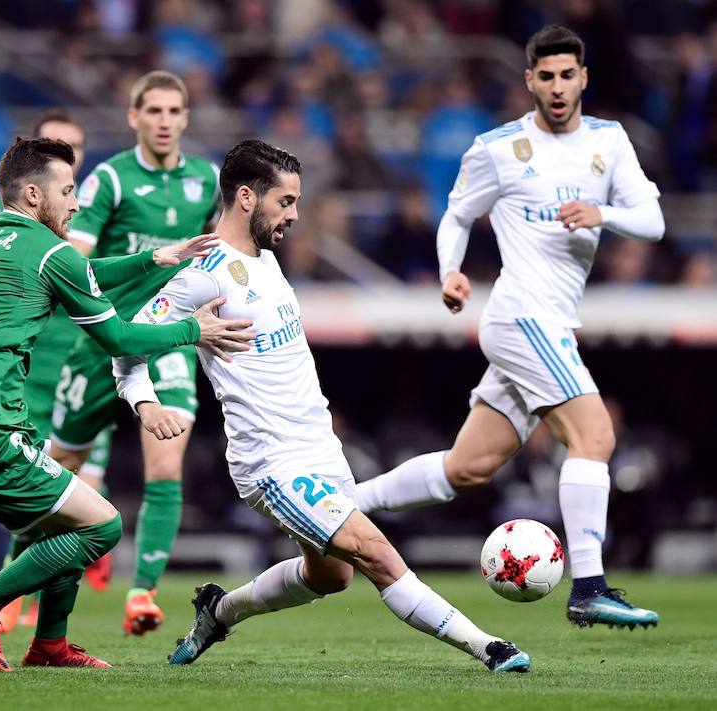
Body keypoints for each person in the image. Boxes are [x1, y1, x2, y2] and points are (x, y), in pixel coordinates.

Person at [114, 139, 530, 673]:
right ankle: (489, 648)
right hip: (272, 463)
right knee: (377, 552)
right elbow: (127, 345)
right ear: (246, 197)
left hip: (318, 449)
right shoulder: (203, 272)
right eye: (284, 202)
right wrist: (148, 405)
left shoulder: (262, 259)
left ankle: (219, 612)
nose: (293, 215)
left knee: (332, 577)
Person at [354, 25, 663, 630]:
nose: (555, 86)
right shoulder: (499, 147)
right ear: (529, 80)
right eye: (544, 76)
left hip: (552, 324)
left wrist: (603, 212)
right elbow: (457, 214)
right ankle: (590, 587)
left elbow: (651, 220)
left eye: (566, 75)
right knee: (594, 437)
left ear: (583, 79)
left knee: (465, 469)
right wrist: (450, 271)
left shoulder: (610, 140)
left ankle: (340, 506)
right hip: (522, 317)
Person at [0, 136, 253, 672]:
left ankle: (49, 644)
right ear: (34, 195)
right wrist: (195, 328)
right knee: (102, 526)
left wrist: (153, 258)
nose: (76, 203)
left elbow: (79, 273)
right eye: (68, 190)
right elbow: (121, 340)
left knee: (67, 520)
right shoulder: (49, 250)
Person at [47, 70, 222, 636]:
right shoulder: (109, 181)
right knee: (60, 467)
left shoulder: (207, 181)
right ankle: (14, 578)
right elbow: (76, 266)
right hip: (102, 339)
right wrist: (153, 260)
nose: (165, 121)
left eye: (175, 111)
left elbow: (226, 255)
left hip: (167, 338)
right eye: (154, 112)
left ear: (186, 117)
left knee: (166, 462)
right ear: (134, 117)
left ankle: (141, 593)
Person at [0, 109, 113, 631]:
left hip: (78, 362)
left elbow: (99, 286)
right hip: (29, 371)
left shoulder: (90, 214)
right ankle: (10, 586)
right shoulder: (21, 221)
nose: (71, 153)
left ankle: (41, 619)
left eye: (77, 146)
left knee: (72, 494)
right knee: (56, 496)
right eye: (60, 144)